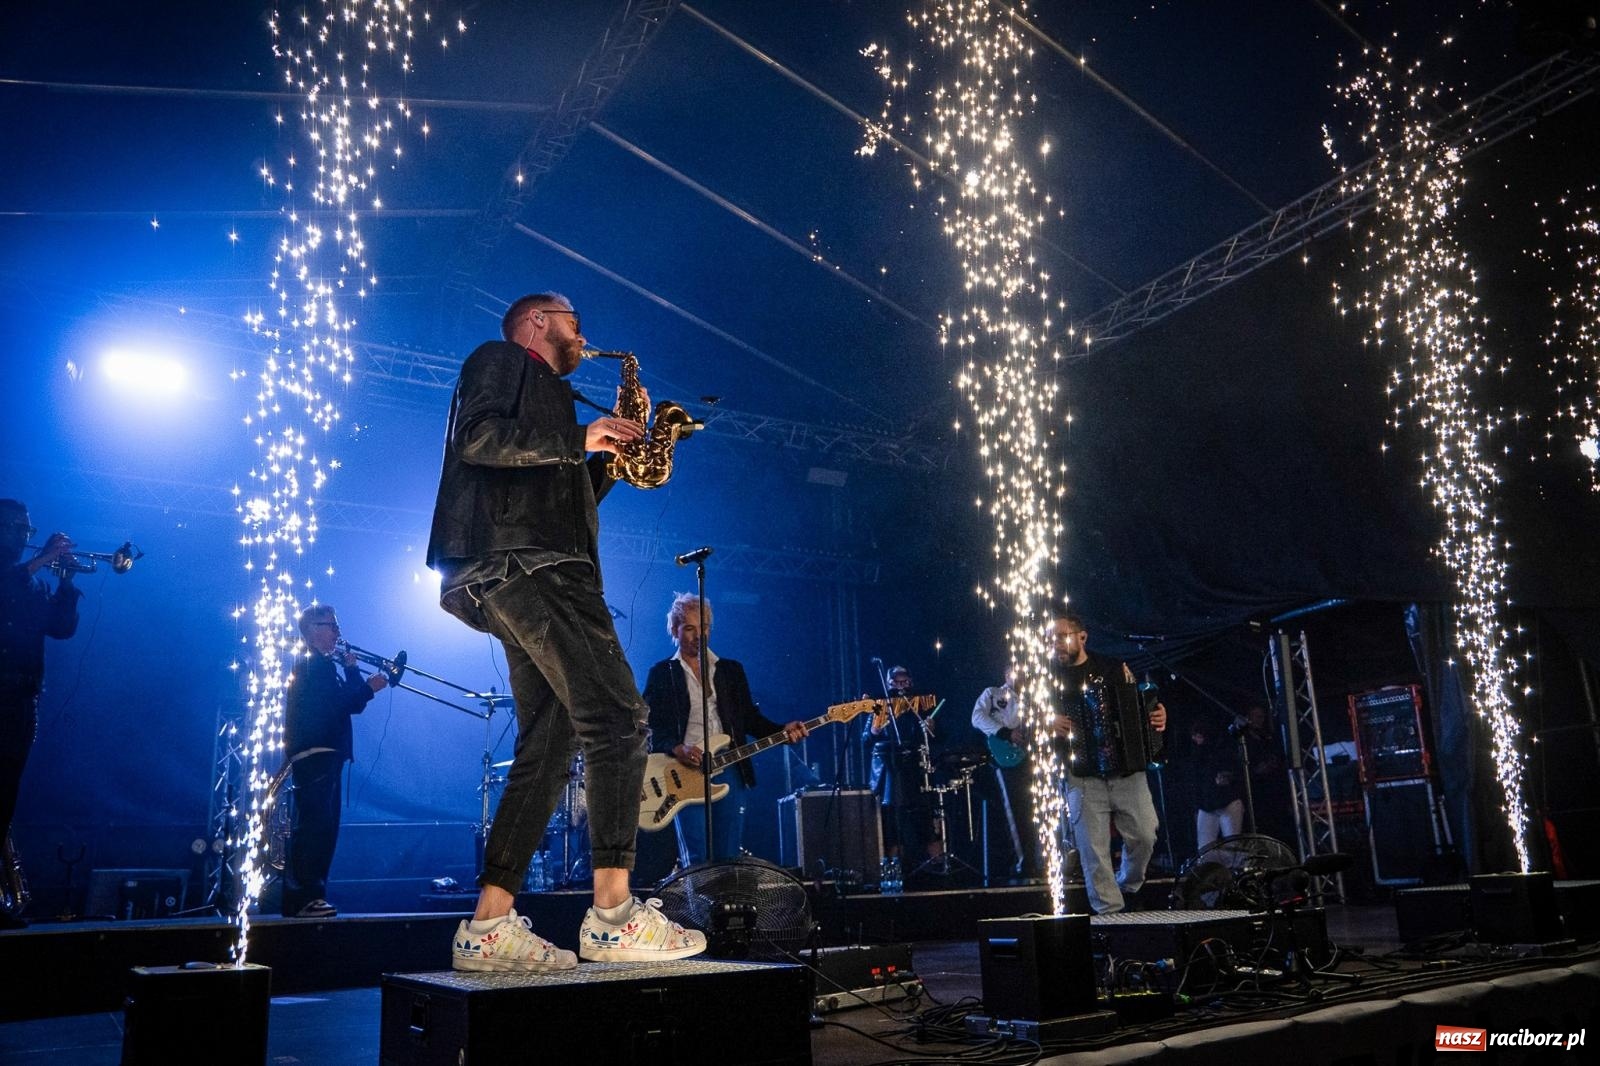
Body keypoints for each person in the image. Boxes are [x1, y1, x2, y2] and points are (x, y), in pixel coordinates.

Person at [426, 291, 705, 971]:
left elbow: (554, 487)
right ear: (537, 323)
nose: (584, 335)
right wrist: (581, 435)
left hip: (516, 564)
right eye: (574, 322)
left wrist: (611, 456)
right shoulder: (499, 359)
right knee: (617, 716)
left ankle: (487, 927)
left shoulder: (551, 400)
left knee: (549, 742)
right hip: (531, 564)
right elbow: (478, 439)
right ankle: (613, 915)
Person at [642, 593, 807, 865]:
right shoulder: (662, 673)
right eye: (691, 629)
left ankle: (723, 908)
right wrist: (677, 747)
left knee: (728, 855)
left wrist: (781, 730)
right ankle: (699, 909)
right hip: (683, 772)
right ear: (675, 630)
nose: (699, 636)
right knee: (697, 859)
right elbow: (650, 728)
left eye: (704, 627)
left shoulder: (730, 670)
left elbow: (750, 719)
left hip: (729, 766)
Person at [1049, 612, 1168, 914]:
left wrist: (1157, 716)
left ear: (1082, 637)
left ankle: (1127, 885)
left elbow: (1140, 708)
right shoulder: (1044, 678)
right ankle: (1110, 917)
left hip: (1126, 770)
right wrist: (1044, 722)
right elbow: (1022, 725)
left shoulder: (1113, 667)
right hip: (1081, 775)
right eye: (1051, 639)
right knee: (1093, 850)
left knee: (1145, 833)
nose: (1056, 645)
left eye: (1062, 637)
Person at [0, 500, 80, 929]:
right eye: (12, 527)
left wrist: (65, 582)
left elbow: (61, 628)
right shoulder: (16, 575)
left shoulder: (30, 581)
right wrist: (42, 559)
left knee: (5, 800)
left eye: (26, 528)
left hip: (21, 699)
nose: (21, 535)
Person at [279, 604, 387, 918]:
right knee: (316, 828)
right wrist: (368, 686)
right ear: (313, 630)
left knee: (322, 827)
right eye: (332, 626)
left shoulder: (321, 667)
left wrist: (353, 671)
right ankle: (305, 897)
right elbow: (343, 704)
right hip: (317, 754)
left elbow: (351, 705)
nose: (338, 633)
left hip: (324, 754)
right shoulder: (315, 666)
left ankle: (309, 897)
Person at [868, 665, 942, 864]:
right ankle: (894, 870)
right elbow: (865, 741)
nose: (901, 687)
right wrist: (874, 730)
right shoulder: (880, 706)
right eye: (896, 682)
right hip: (891, 773)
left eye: (905, 682)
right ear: (888, 684)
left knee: (926, 824)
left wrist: (931, 729)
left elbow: (938, 739)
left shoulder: (919, 704)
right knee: (893, 825)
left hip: (916, 771)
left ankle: (936, 868)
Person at [971, 668, 1035, 877]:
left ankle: (1036, 859)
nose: (1020, 676)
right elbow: (977, 717)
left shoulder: (1034, 695)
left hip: (1029, 756)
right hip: (1004, 755)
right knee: (1013, 810)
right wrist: (1006, 733)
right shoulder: (993, 693)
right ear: (1007, 673)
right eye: (1015, 671)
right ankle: (1021, 863)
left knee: (1032, 810)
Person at [1189, 718, 1245, 850]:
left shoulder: (1221, 749)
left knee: (1233, 847)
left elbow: (1235, 771)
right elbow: (1195, 783)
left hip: (1227, 802)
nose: (1196, 740)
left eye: (1198, 736)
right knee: (1204, 849)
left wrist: (1226, 777)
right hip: (1207, 805)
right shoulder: (1195, 755)